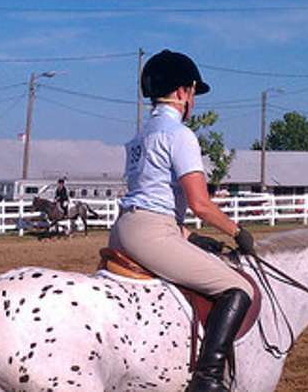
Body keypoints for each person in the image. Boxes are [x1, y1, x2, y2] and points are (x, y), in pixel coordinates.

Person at [109, 49, 255, 392]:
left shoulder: (138, 139)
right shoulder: (180, 136)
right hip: (151, 235)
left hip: (124, 229)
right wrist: (239, 232)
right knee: (239, 287)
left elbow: (151, 196)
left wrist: (187, 236)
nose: (193, 101)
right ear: (182, 92)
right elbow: (201, 204)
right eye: (193, 93)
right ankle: (207, 379)